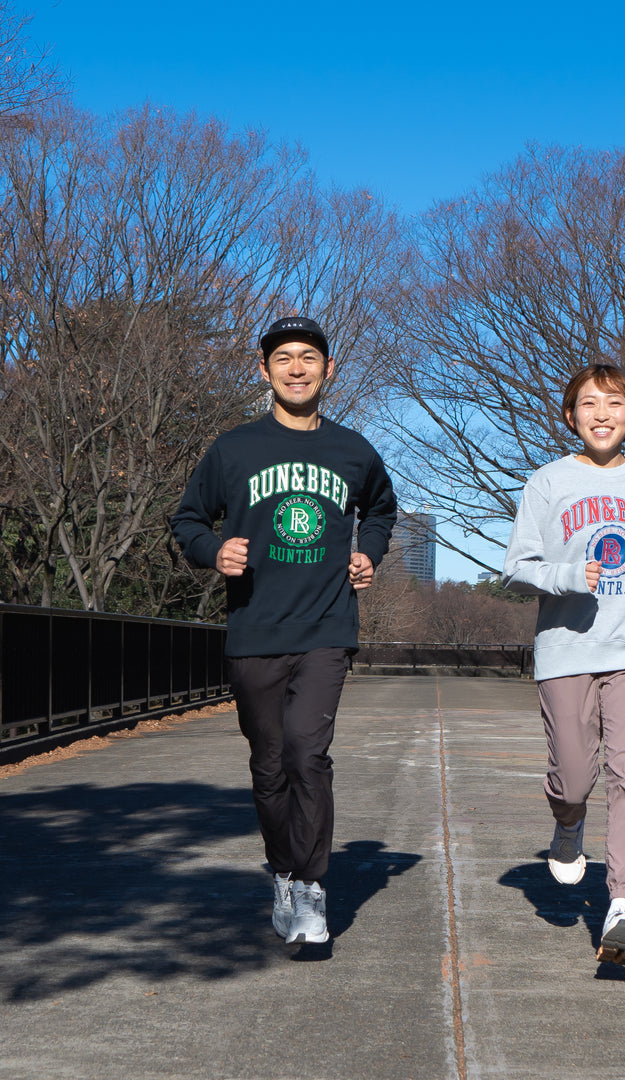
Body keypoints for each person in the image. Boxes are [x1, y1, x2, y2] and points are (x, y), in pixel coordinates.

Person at [171, 316, 396, 945]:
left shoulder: (353, 450)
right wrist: (213, 552)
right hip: (254, 629)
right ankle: (282, 870)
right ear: (264, 370)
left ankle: (312, 888)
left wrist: (368, 552)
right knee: (268, 766)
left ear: (328, 370)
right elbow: (188, 519)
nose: (297, 368)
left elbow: (381, 507)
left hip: (327, 626)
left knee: (306, 752)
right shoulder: (234, 448)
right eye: (283, 358)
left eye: (308, 358)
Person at [502, 362, 625, 965]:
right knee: (576, 776)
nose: (602, 414)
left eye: (615, 404)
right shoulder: (548, 483)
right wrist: (565, 575)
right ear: (571, 416)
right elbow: (515, 567)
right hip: (568, 648)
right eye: (588, 404)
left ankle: (622, 905)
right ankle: (568, 824)